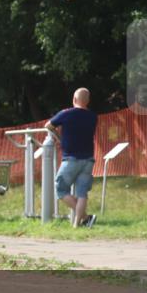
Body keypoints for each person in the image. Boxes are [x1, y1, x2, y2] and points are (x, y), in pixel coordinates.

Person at [45, 88, 98, 228]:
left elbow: (48, 126)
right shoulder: (93, 116)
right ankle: (77, 225)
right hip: (88, 159)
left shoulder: (66, 113)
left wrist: (59, 138)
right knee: (82, 193)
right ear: (88, 101)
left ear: (74, 99)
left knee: (61, 189)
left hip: (71, 159)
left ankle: (85, 217)